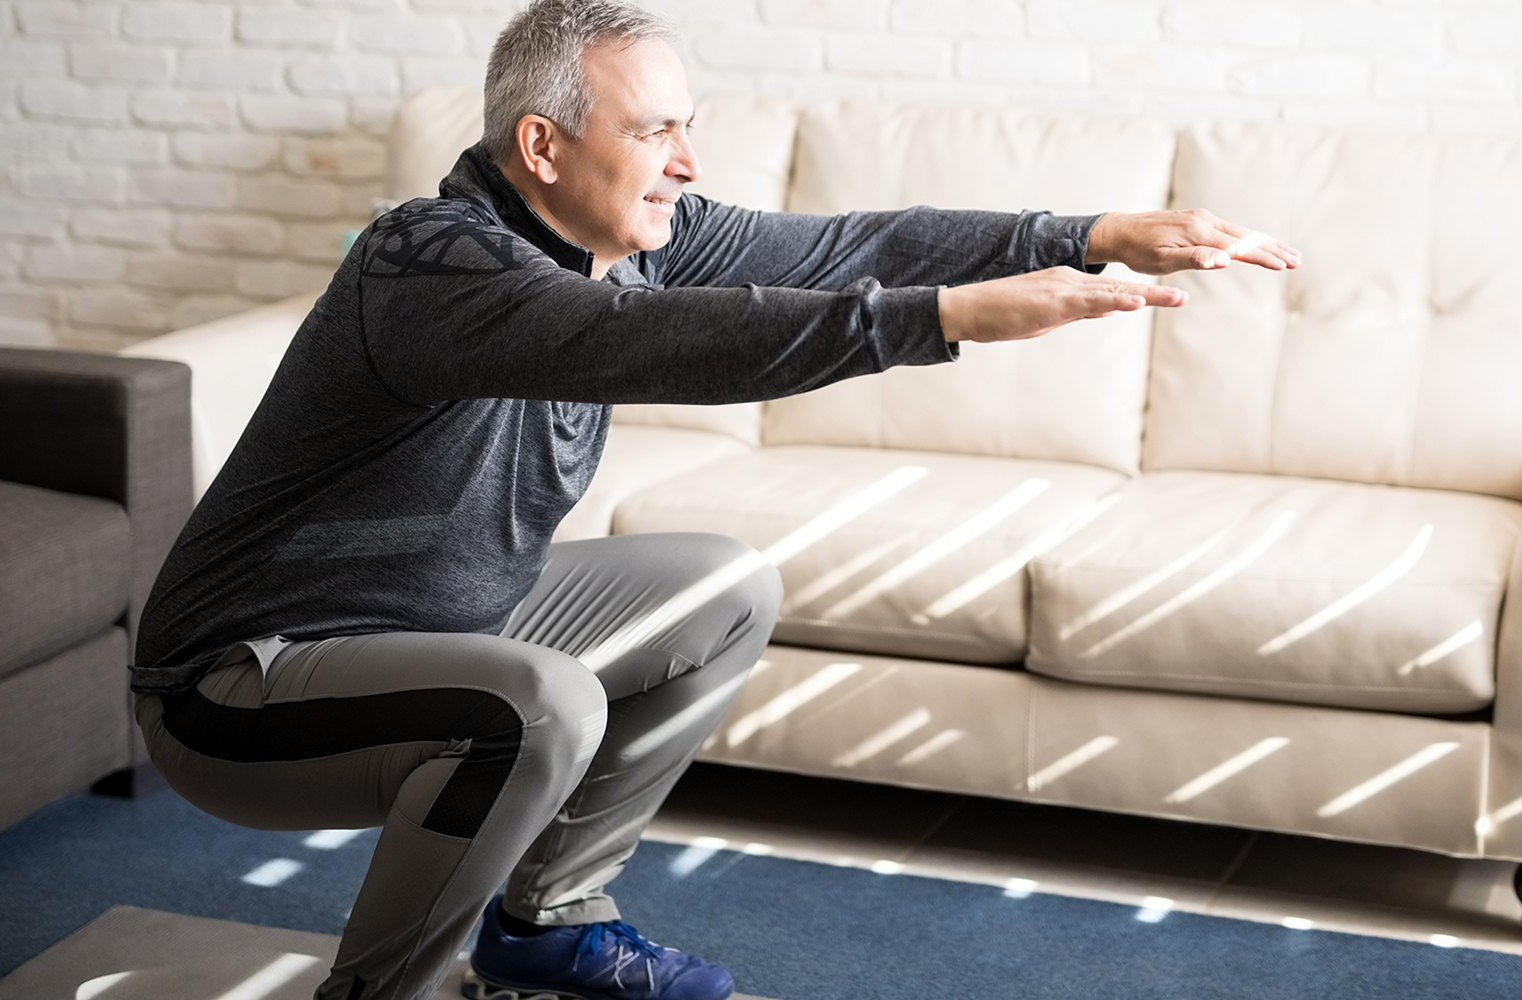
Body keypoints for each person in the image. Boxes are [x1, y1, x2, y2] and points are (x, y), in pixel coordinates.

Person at [129, 2, 1302, 998]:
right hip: (241, 685)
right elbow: (656, 342)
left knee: (723, 588)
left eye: (687, 126)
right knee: (539, 708)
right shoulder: (429, 262)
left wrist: (1092, 234)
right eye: (655, 132)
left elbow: (854, 243)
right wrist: (943, 318)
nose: (688, 162)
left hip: (437, 627)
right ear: (542, 146)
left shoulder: (633, 239)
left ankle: (548, 923)